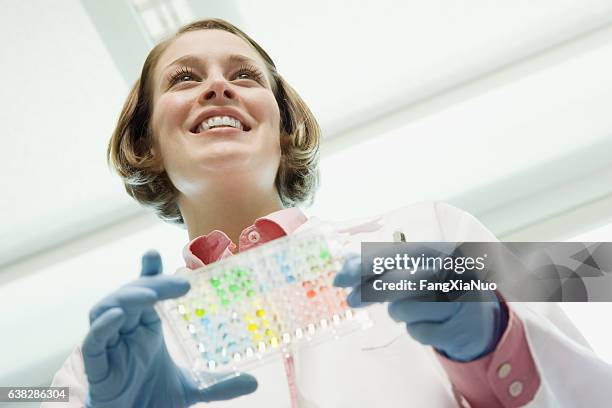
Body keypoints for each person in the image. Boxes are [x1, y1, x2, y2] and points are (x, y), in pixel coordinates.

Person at [47, 18, 612, 407]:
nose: (218, 85)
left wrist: (496, 344)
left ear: (283, 123)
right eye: (184, 78)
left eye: (244, 75)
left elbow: (593, 286)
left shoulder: (422, 235)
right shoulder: (115, 356)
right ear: (145, 141)